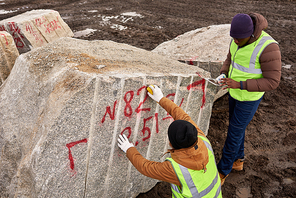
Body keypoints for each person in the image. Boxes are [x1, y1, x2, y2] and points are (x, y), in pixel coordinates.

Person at [118, 85, 222, 198]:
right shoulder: (201, 139)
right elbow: (183, 117)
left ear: (172, 144)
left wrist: (128, 148)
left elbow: (146, 167)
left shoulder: (176, 170)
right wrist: (161, 99)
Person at [215, 13, 281, 185]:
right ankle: (238, 160)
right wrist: (223, 73)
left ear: (251, 34)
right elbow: (230, 59)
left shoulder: (268, 47)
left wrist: (241, 85)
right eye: (233, 38)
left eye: (239, 39)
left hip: (249, 97)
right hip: (234, 93)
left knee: (234, 133)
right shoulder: (236, 39)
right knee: (238, 129)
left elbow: (272, 81)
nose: (235, 41)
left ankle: (223, 171)